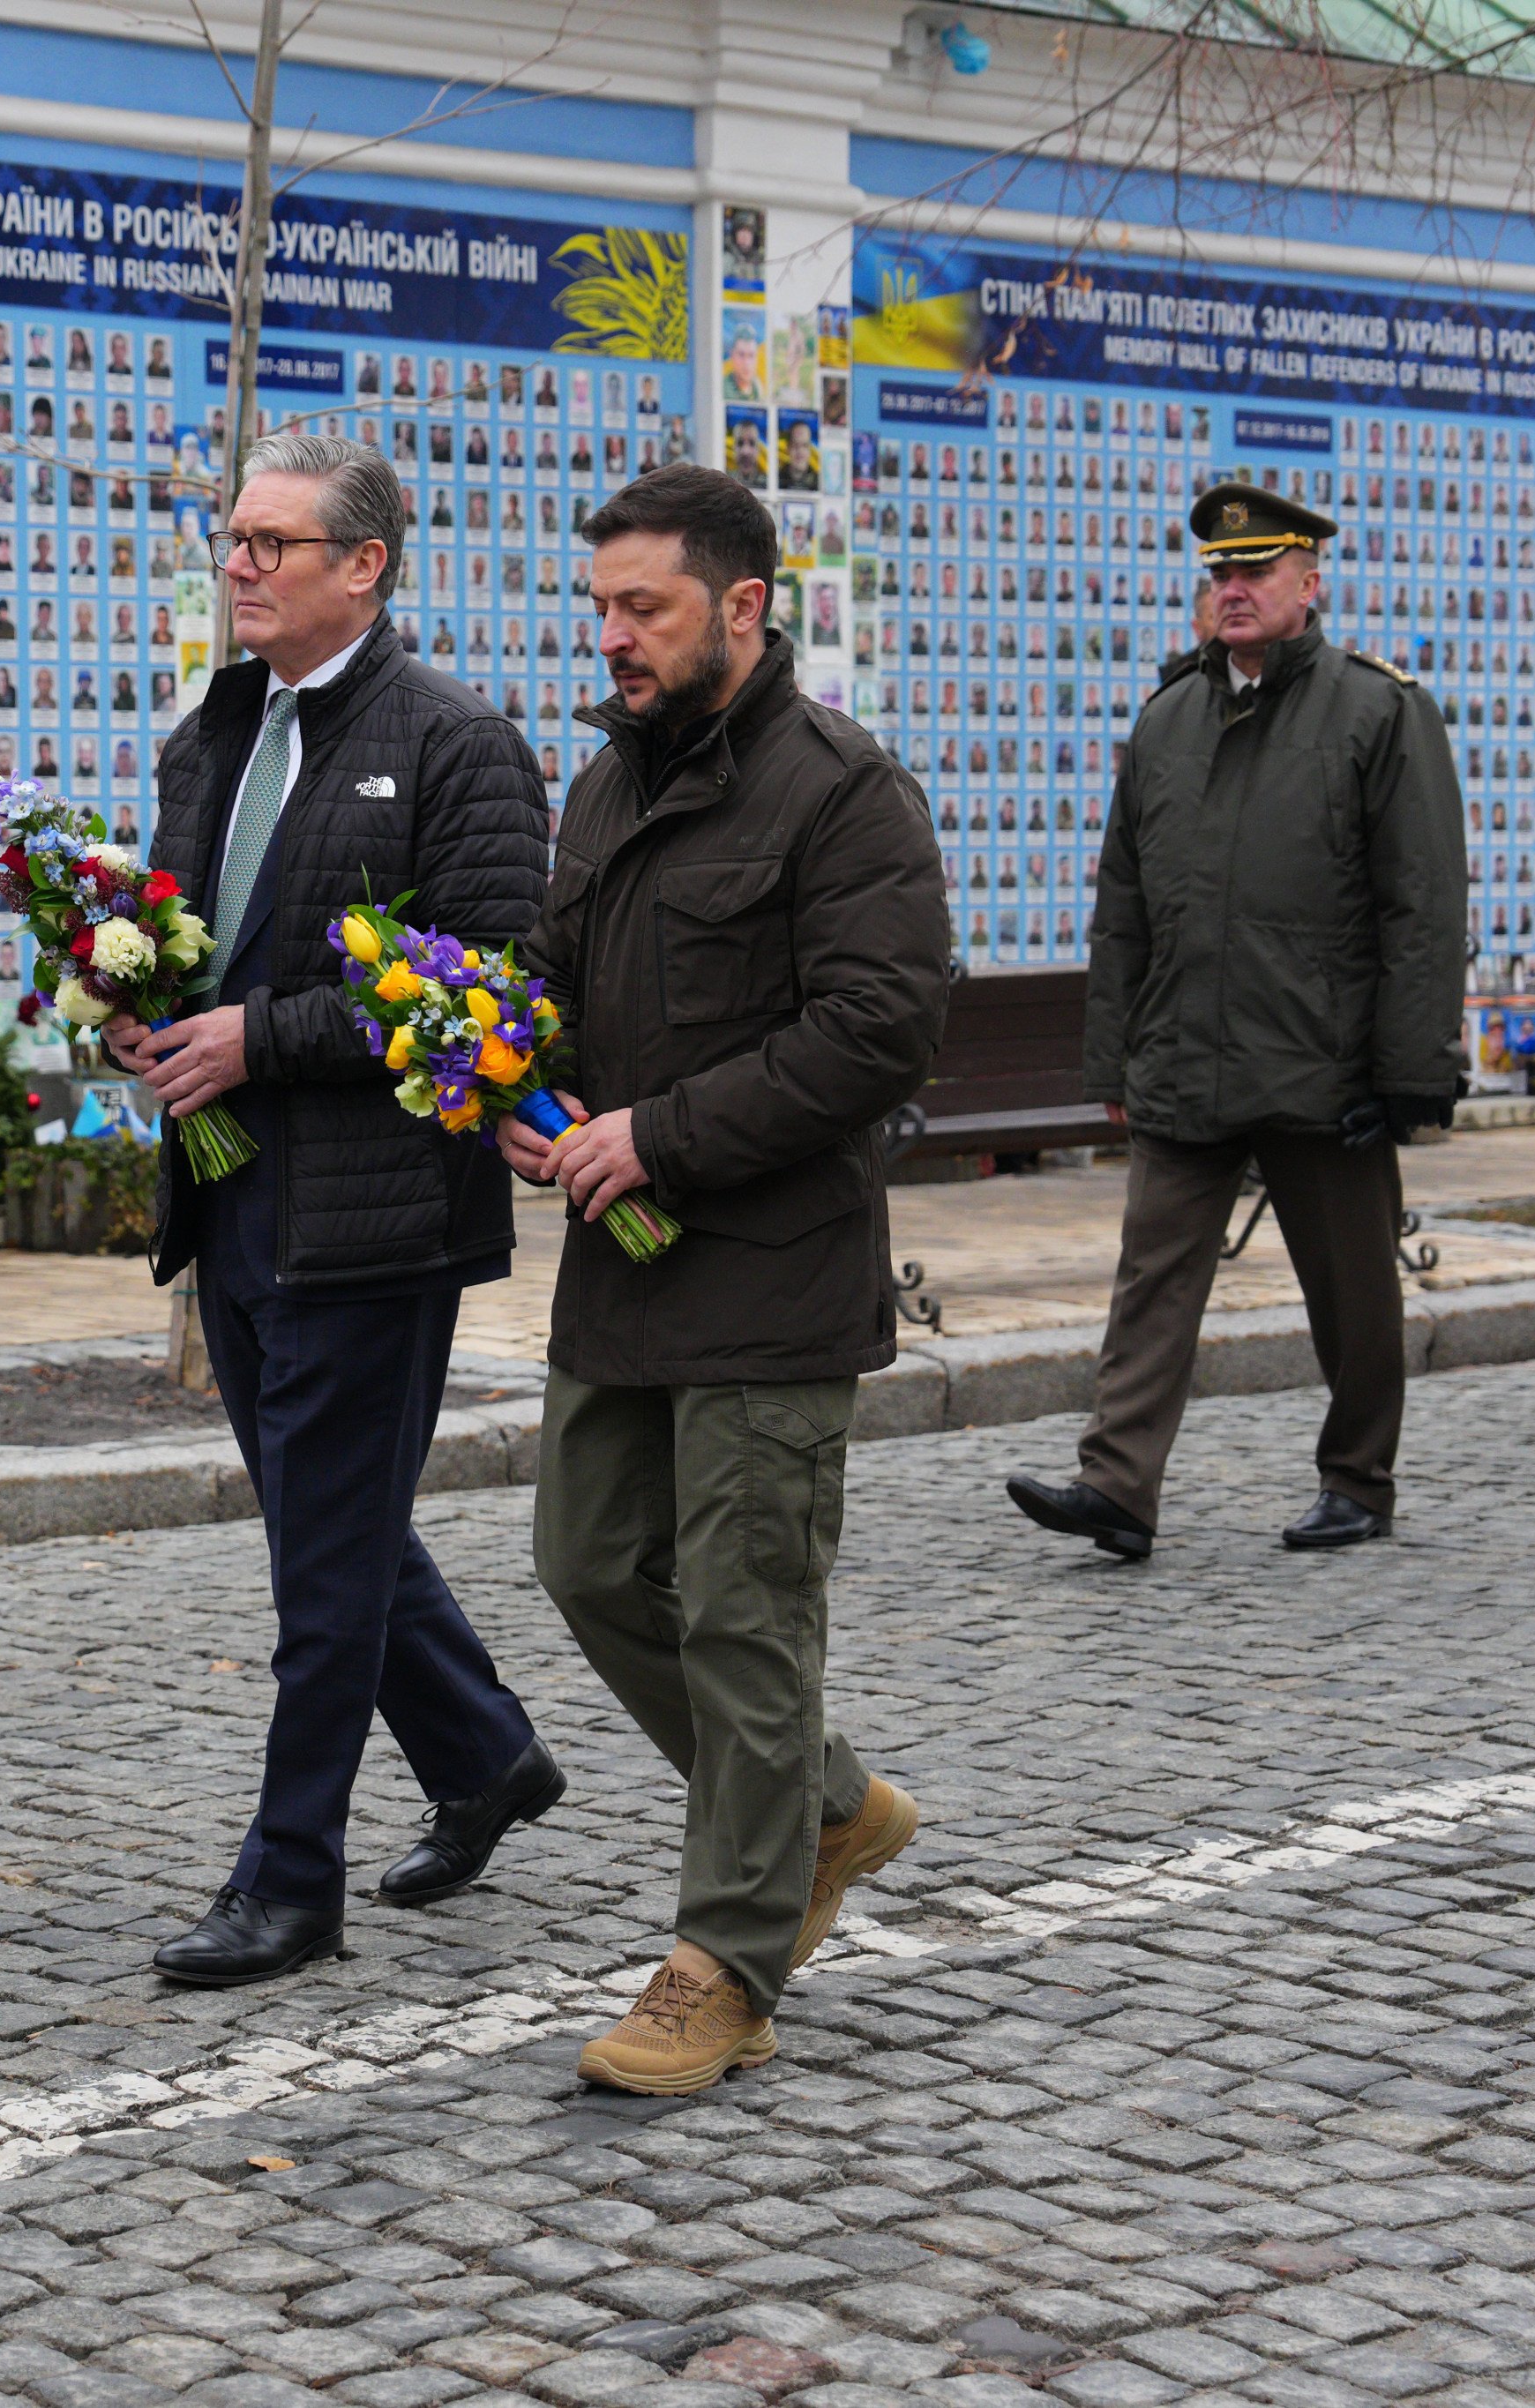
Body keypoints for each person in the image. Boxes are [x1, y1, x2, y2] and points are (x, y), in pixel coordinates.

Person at [496, 466, 950, 2094]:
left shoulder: (843, 794)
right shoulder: (609, 786)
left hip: (765, 1269)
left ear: (744, 609)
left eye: (646, 609)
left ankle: (728, 1962)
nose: (611, 636)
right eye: (601, 606)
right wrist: (506, 1069)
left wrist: (662, 1138)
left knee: (752, 1621)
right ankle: (825, 1803)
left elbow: (877, 1030)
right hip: (623, 1273)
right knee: (587, 1560)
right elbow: (568, 980)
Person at [106, 432, 560, 1987]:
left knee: (322, 1568)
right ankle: (486, 1753)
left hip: (373, 1221)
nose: (238, 563)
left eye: (272, 544)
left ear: (363, 566)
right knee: (333, 1526)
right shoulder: (214, 731)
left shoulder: (454, 743)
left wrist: (263, 1036)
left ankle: (290, 1880)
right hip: (229, 1195)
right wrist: (135, 1008)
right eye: (231, 538)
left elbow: (500, 988)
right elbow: (192, 945)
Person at [1007, 482, 1468, 1560]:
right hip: (1184, 1055)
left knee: (1351, 1293)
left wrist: (1409, 1073)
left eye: (1257, 571)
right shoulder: (1168, 717)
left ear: (1311, 584)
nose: (1234, 590)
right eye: (1219, 573)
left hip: (1325, 1066)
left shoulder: (1378, 711)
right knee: (1152, 1277)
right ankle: (1116, 1484)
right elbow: (1124, 905)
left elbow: (1423, 902)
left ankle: (1358, 1478)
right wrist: (1113, 1054)